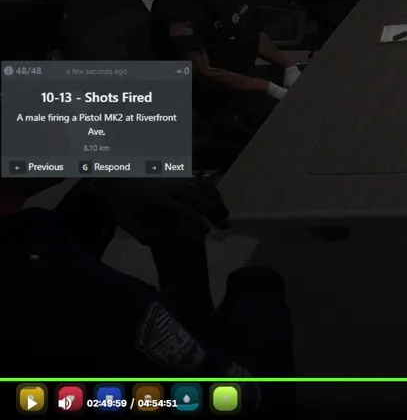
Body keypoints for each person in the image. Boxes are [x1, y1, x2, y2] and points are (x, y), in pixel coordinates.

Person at [0, 177, 295, 414]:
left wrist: (97, 195)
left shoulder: (29, 249)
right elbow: (247, 399)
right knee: (261, 281)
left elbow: (48, 243)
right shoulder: (70, 290)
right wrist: (180, 249)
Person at [151, 0, 302, 134]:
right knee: (297, 124)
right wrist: (267, 87)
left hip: (244, 77)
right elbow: (203, 72)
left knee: (312, 88)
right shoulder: (182, 0)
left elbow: (250, 33)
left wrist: (288, 64)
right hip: (216, 100)